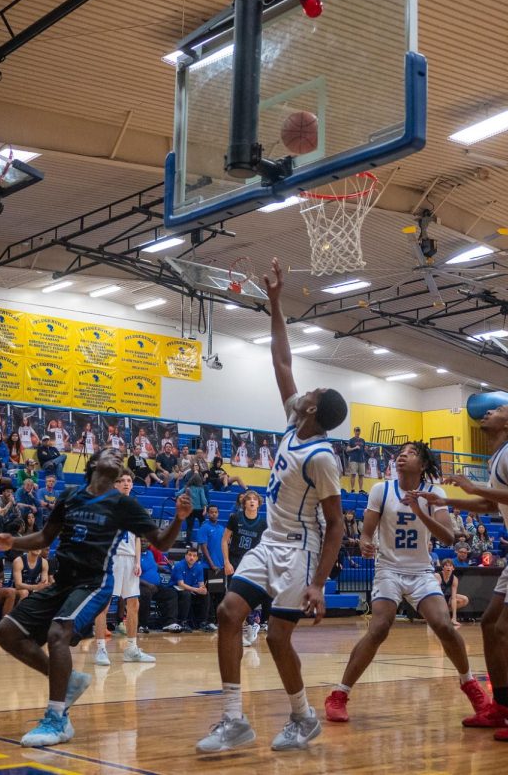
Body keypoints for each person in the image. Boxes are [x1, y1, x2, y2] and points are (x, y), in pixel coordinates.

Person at [197, 259, 346, 755]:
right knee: (228, 612)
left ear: (313, 410)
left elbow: (336, 525)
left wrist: (320, 584)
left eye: (315, 392)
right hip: (268, 543)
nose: (306, 388)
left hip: (300, 552)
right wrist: (276, 302)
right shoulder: (291, 419)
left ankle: (303, 717)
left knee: (280, 641)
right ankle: (233, 718)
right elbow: (281, 362)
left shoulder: (322, 457)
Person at [0, 448, 191, 748]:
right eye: (111, 453)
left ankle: (57, 719)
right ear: (94, 463)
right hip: (64, 582)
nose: (118, 456)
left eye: (121, 456)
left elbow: (161, 541)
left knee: (58, 632)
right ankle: (68, 681)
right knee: (6, 632)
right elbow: (46, 537)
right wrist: (14, 542)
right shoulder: (71, 496)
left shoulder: (123, 504)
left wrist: (179, 519)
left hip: (94, 582)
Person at [414, 402, 508, 742]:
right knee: (489, 623)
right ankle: (502, 706)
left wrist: (473, 487)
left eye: (497, 410)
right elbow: (492, 504)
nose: (487, 413)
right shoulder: (500, 455)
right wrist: (448, 502)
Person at [325, 442, 491, 725]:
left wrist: (419, 508)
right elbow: (366, 534)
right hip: (388, 569)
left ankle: (471, 686)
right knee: (379, 627)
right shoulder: (382, 490)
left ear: (423, 464)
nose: (402, 455)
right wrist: (365, 544)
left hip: (421, 572)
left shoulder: (434, 493)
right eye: (401, 452)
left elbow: (449, 538)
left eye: (411, 452)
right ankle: (339, 694)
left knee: (443, 625)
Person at [94, 469, 156, 665]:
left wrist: (138, 561)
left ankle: (131, 649)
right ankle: (101, 649)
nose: (127, 483)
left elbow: (137, 538)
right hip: (112, 558)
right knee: (103, 605)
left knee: (134, 604)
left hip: (130, 560)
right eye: (122, 481)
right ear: (115, 485)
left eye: (129, 480)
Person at [222, 491, 267, 646]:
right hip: (234, 561)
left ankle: (253, 622)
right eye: (249, 499)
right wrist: (226, 562)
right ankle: (239, 632)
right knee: (234, 599)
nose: (252, 501)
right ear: (244, 503)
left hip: (252, 563)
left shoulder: (263, 524)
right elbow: (224, 540)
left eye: (255, 499)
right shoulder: (235, 518)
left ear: (259, 504)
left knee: (253, 596)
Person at [170, 546, 211, 631]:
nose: (192, 557)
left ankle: (203, 622)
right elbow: (181, 584)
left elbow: (201, 585)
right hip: (175, 589)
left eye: (194, 555)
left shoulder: (199, 567)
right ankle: (183, 622)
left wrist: (203, 589)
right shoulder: (179, 566)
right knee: (186, 594)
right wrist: (196, 590)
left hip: (190, 588)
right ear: (185, 556)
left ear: (197, 558)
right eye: (190, 555)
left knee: (206, 594)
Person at [438, 558, 468, 625]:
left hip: (446, 597)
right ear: (443, 568)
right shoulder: (438, 576)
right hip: (436, 599)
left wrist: (454, 618)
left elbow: (453, 598)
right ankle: (437, 614)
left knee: (464, 599)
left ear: (453, 568)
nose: (448, 567)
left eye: (450, 566)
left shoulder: (454, 579)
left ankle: (449, 616)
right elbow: (437, 595)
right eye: (446, 565)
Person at [346, 426, 367, 493]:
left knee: (361, 475)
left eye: (358, 431)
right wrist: (355, 448)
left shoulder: (363, 440)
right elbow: (347, 449)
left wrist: (366, 449)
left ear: (360, 432)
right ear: (354, 431)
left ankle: (360, 490)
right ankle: (352, 489)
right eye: (356, 431)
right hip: (354, 459)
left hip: (361, 460)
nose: (357, 432)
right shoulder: (351, 440)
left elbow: (364, 450)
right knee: (353, 474)